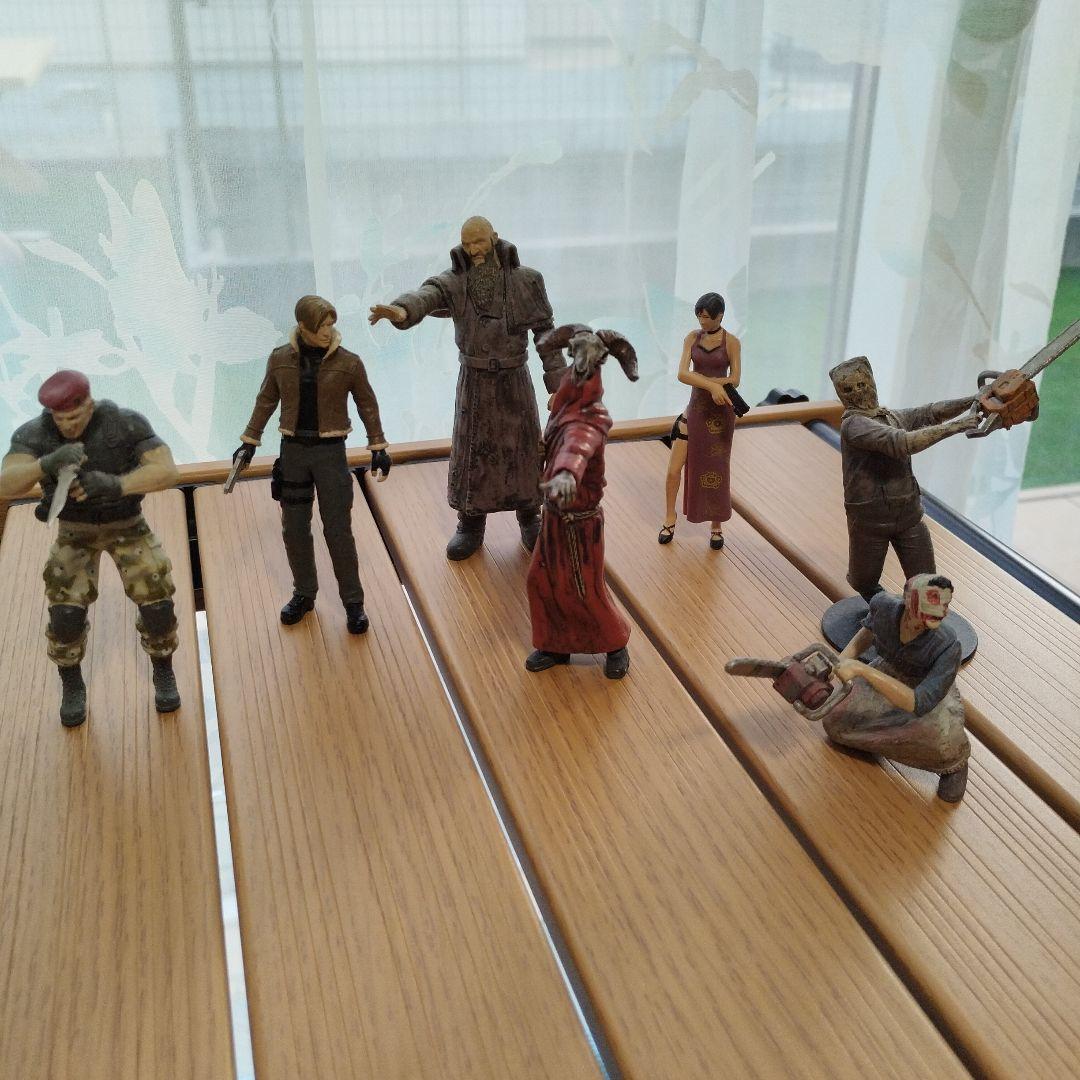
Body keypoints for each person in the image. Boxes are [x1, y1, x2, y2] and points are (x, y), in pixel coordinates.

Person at [369, 216, 567, 560]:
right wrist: (401, 310)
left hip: (514, 381)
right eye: (467, 244)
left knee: (523, 451)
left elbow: (547, 336)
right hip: (474, 384)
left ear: (494, 239)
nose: (473, 249)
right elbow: (428, 295)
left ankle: (530, 517)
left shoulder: (526, 280)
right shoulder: (456, 282)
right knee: (473, 453)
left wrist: (559, 385)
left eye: (479, 242)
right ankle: (470, 524)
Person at [0, 370, 181, 727]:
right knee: (65, 614)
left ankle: (163, 668)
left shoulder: (124, 424)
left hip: (126, 524)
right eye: (60, 419)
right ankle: (71, 682)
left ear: (88, 403)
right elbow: (6, 485)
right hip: (75, 531)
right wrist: (44, 464)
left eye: (74, 417)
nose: (67, 425)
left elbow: (166, 471)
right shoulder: (35, 434)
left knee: (157, 600)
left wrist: (116, 484)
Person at [234, 295, 391, 633]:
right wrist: (249, 442)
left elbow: (367, 404)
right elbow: (265, 401)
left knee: (338, 530)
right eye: (321, 326)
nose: (327, 331)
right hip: (293, 453)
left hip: (331, 455)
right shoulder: (280, 359)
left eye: (331, 324)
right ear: (303, 326)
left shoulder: (349, 363)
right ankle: (304, 593)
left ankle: (353, 603)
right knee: (294, 529)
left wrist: (378, 446)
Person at [524, 324, 637, 680]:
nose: (578, 368)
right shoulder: (565, 407)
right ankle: (555, 644)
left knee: (584, 589)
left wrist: (565, 475)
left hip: (579, 523)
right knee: (541, 581)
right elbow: (559, 441)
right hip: (556, 517)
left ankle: (615, 644)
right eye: (576, 358)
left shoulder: (590, 418)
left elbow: (577, 447)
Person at [829, 356, 979, 600]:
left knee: (926, 583)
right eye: (848, 389)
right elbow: (902, 443)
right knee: (863, 580)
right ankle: (883, 610)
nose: (857, 392)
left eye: (861, 384)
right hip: (870, 521)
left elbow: (929, 413)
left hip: (908, 514)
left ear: (872, 382)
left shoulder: (890, 417)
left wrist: (974, 400)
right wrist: (958, 426)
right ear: (840, 394)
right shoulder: (854, 426)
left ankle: (916, 616)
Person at [830, 573, 971, 802]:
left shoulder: (948, 646)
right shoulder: (883, 607)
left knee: (943, 740)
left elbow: (919, 702)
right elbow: (867, 633)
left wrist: (863, 670)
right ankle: (879, 741)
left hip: (922, 689)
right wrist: (839, 662)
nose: (934, 615)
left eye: (941, 608)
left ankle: (954, 765)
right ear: (908, 600)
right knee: (836, 721)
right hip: (887, 672)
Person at [660, 292, 741, 550]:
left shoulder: (731, 342)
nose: (702, 321)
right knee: (674, 469)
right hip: (695, 410)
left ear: (720, 316)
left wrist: (714, 385)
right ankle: (669, 516)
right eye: (699, 317)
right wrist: (712, 385)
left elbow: (735, 379)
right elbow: (683, 374)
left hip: (720, 415)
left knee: (718, 470)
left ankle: (716, 524)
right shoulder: (692, 338)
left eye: (706, 317)